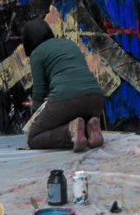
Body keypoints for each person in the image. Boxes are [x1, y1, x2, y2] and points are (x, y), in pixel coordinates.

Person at [22, 18, 105, 152]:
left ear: (27, 40)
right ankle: (91, 129)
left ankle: (70, 132)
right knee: (76, 119)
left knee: (34, 138)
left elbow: (39, 91)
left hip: (67, 100)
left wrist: (35, 106)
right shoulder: (69, 44)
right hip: (96, 99)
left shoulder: (36, 53)